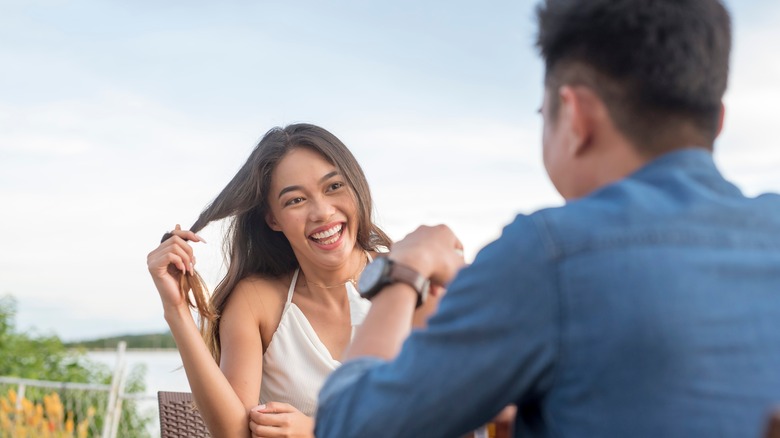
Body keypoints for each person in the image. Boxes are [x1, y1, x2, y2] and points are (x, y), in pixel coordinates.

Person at [312, 0, 780, 437]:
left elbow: (347, 424)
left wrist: (402, 272)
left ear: (576, 117)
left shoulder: (548, 254)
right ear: (717, 121)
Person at [147, 124, 436, 437]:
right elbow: (233, 435)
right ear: (273, 219)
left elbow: (443, 417)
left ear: (356, 187)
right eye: (296, 200)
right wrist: (176, 310)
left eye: (334, 186)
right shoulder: (257, 301)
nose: (322, 212)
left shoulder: (408, 278)